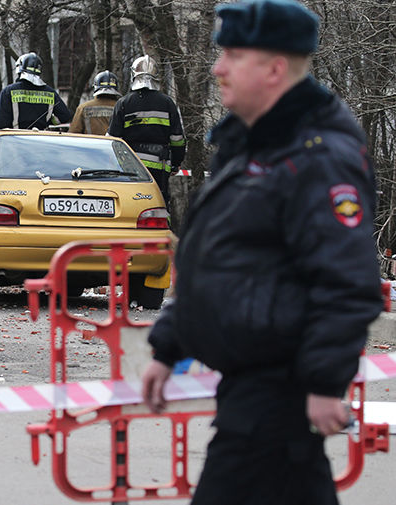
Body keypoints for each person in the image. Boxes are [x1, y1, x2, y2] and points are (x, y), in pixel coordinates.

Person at [140, 1, 383, 504]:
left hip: (280, 389)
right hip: (251, 387)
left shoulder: (319, 156)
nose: (217, 68)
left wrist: (322, 382)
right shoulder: (254, 144)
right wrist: (169, 347)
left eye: (232, 55)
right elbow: (219, 261)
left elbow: (347, 281)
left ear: (274, 69)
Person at [107, 55, 185, 204]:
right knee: (159, 202)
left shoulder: (123, 103)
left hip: (130, 165)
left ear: (133, 75)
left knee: (132, 202)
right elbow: (177, 138)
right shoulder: (167, 103)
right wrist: (176, 161)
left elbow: (111, 139)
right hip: (160, 165)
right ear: (156, 76)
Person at [0, 52, 72, 130]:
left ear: (19, 69)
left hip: (15, 140)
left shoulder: (8, 91)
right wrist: (50, 121)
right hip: (41, 140)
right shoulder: (51, 93)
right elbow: (65, 117)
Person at [68, 70, 121, 135]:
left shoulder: (83, 108)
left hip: (90, 145)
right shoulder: (122, 107)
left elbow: (73, 133)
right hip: (114, 145)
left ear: (95, 87)